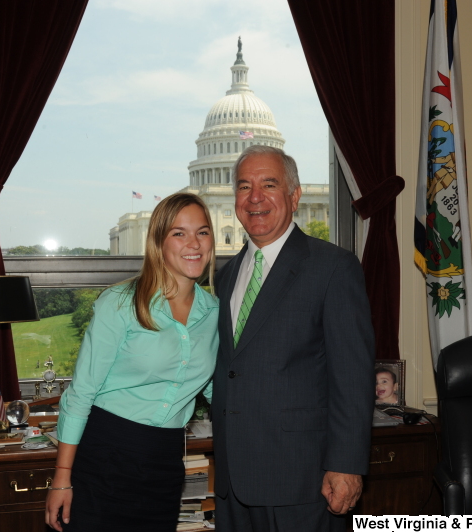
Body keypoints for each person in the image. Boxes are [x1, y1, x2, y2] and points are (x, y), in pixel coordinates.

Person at [212, 145, 375, 532]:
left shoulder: (333, 268)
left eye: (269, 184)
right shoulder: (226, 275)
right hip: (233, 482)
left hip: (302, 481)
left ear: (294, 196)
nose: (255, 198)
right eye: (244, 186)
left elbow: (352, 377)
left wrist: (347, 466)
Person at [45, 193, 219, 532]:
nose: (193, 243)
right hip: (105, 455)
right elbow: (81, 393)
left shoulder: (214, 313)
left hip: (166, 462)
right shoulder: (120, 302)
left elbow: (217, 391)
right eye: (178, 233)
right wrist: (62, 479)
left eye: (202, 232)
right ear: (158, 243)